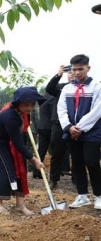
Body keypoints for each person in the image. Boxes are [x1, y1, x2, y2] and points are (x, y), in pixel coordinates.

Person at [0, 87, 45, 215]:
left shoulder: (23, 112)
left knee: (21, 168)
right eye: (26, 105)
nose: (30, 108)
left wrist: (28, 155)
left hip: (12, 140)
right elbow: (18, 143)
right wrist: (34, 159)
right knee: (7, 170)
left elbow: (20, 138)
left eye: (32, 105)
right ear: (18, 103)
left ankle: (20, 204)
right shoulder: (11, 116)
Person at [57, 54, 101, 210]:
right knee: (77, 164)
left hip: (91, 132)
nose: (77, 73)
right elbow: (61, 109)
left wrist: (80, 128)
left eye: (80, 69)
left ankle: (98, 195)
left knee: (92, 162)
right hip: (71, 132)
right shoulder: (67, 88)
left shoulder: (97, 87)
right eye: (74, 69)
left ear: (88, 68)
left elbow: (97, 110)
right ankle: (82, 195)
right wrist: (69, 127)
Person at [46, 64, 75, 189]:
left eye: (75, 71)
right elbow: (49, 88)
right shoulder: (61, 88)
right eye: (70, 72)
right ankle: (54, 179)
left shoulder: (83, 89)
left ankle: (77, 180)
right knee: (57, 153)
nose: (72, 74)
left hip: (75, 125)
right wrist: (58, 75)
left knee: (76, 153)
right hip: (59, 124)